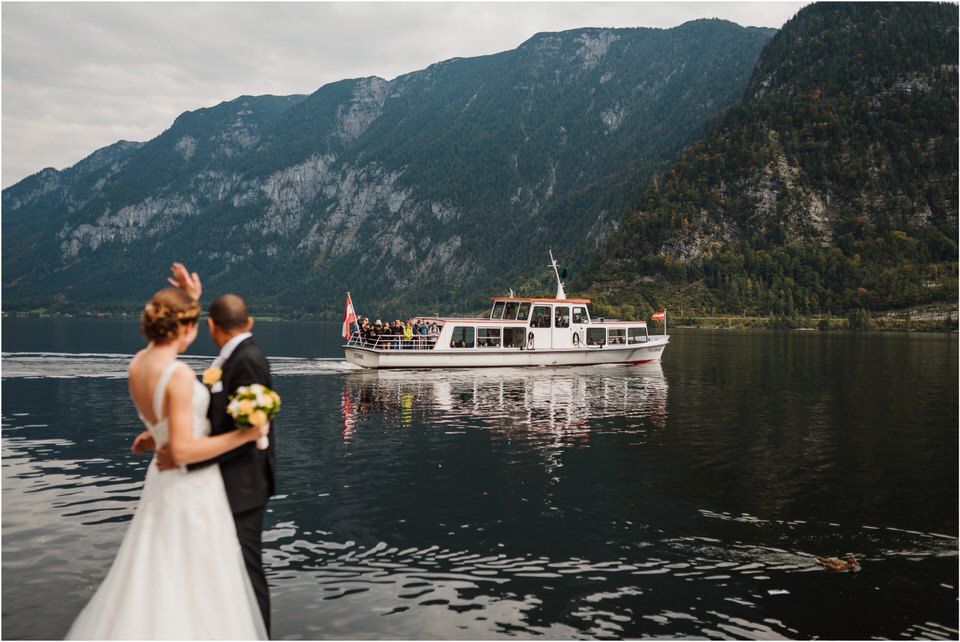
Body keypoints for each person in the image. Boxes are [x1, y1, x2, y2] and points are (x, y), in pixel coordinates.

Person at [67, 286, 269, 640]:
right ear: (187, 327)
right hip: (190, 486)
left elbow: (163, 424)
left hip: (161, 485)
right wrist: (246, 436)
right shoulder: (176, 374)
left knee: (157, 572)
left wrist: (154, 436)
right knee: (198, 581)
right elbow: (183, 451)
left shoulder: (137, 363)